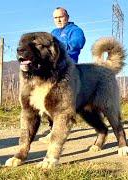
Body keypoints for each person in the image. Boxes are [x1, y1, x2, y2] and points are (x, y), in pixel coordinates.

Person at [39, 7, 86, 143]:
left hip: (67, 67)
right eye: (56, 18)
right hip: (52, 69)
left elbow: (78, 43)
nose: (58, 20)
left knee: (62, 101)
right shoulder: (53, 32)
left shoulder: (75, 30)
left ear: (67, 17)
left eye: (61, 16)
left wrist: (58, 47)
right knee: (48, 99)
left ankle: (60, 129)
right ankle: (52, 129)